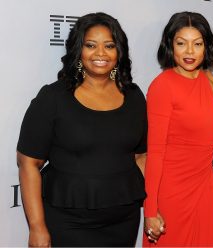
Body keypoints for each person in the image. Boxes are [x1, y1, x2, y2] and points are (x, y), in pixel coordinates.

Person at [17, 12, 147, 247]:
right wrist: (37, 227)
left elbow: (141, 157)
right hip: (68, 222)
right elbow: (28, 163)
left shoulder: (135, 96)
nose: (100, 53)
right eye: (91, 45)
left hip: (123, 220)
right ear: (79, 50)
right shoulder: (53, 97)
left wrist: (153, 209)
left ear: (119, 52)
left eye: (109, 45)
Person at [143, 11, 213, 247]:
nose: (190, 52)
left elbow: (212, 120)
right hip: (172, 190)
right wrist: (150, 210)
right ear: (170, 45)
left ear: (206, 47)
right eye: (181, 43)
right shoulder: (162, 86)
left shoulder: (208, 78)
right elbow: (155, 152)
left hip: (204, 185)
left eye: (197, 44)